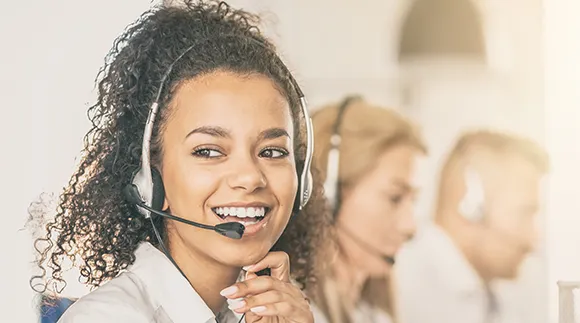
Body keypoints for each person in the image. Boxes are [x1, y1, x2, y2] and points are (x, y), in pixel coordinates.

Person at [29, 1, 332, 322]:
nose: (250, 177)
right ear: (150, 178)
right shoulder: (110, 317)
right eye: (209, 151)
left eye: (272, 151)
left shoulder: (258, 312)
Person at [395, 130, 548, 323]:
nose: (533, 240)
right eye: (523, 214)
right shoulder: (401, 289)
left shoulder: (493, 292)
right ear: (471, 205)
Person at [306, 96, 427, 323]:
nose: (410, 227)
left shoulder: (374, 314)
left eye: (413, 200)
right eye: (395, 198)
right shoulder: (286, 314)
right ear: (327, 196)